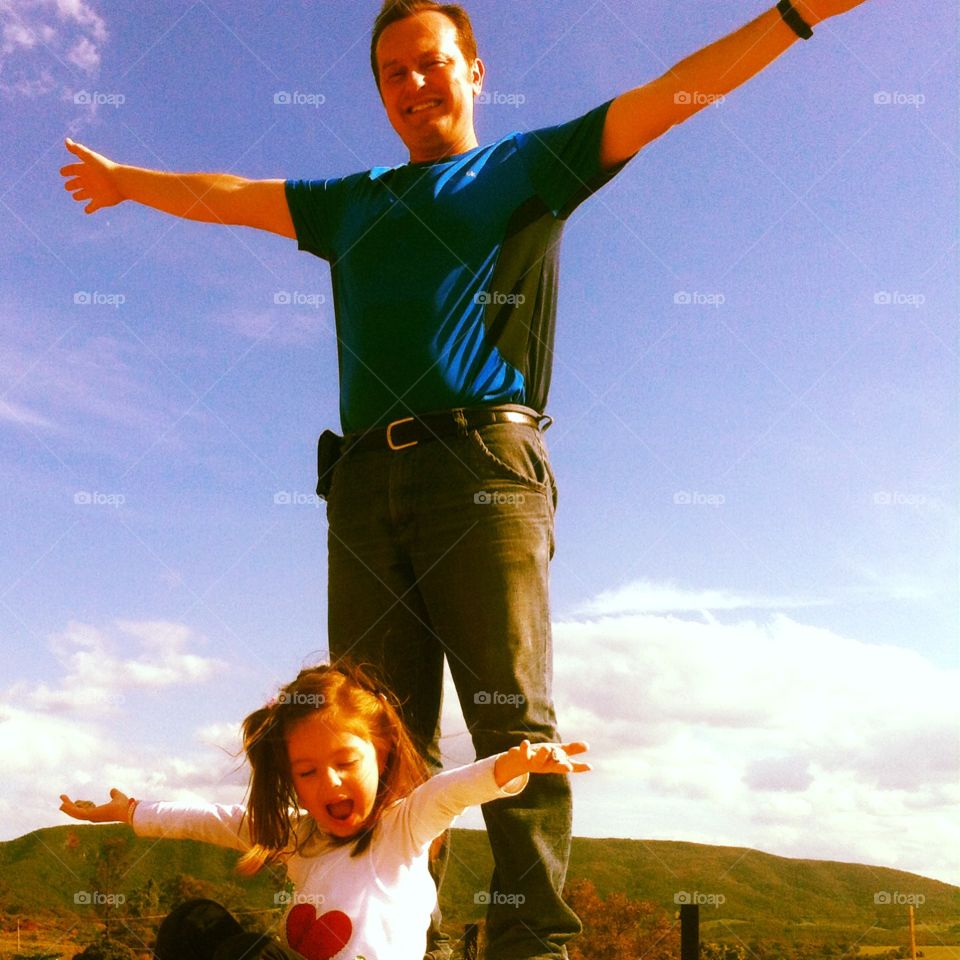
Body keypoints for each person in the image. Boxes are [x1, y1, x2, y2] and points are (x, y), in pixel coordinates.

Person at [59, 1, 872, 956]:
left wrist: (793, 15)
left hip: (484, 463)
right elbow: (227, 192)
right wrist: (125, 182)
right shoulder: (350, 201)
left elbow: (669, 98)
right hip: (362, 480)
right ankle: (409, 942)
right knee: (374, 730)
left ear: (474, 71)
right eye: (392, 75)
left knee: (509, 722)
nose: (413, 86)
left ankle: (532, 945)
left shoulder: (528, 168)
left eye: (431, 64)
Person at [59, 661, 591, 960]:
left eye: (344, 762)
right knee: (192, 926)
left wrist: (512, 764)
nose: (328, 781)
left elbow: (450, 791)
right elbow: (210, 820)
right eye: (307, 772)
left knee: (248, 953)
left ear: (381, 755)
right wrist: (132, 811)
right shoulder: (296, 833)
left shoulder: (402, 829)